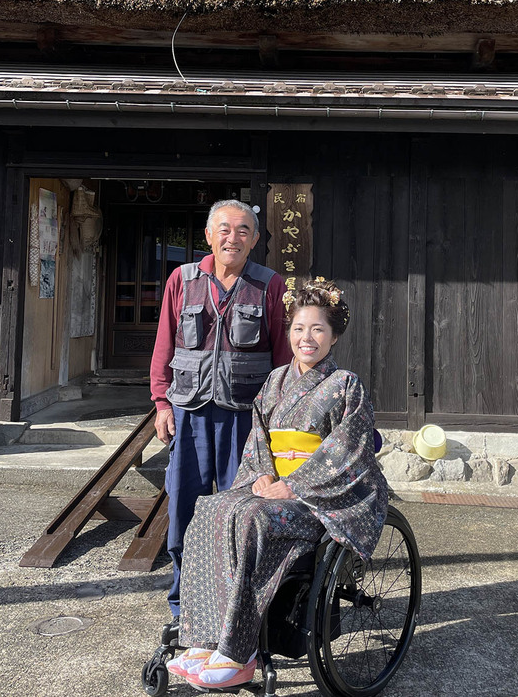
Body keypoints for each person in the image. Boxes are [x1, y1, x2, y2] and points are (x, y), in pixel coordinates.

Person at [166, 277, 388, 690]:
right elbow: (259, 436)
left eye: (318, 329)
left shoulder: (345, 385)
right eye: (299, 328)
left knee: (251, 518)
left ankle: (239, 652)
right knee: (209, 508)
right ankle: (202, 639)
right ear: (289, 333)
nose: (307, 338)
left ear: (334, 335)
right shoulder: (276, 381)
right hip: (274, 487)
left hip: (322, 499)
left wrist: (296, 485)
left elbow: (347, 449)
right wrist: (264, 472)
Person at [150, 199, 292, 620]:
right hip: (190, 413)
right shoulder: (182, 279)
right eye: (225, 229)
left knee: (242, 514)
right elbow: (164, 344)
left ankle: (237, 610)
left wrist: (276, 420)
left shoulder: (270, 285)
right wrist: (161, 402)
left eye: (244, 230)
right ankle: (184, 604)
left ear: (254, 240)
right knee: (183, 510)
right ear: (209, 236)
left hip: (245, 420)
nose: (234, 237)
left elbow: (282, 357)